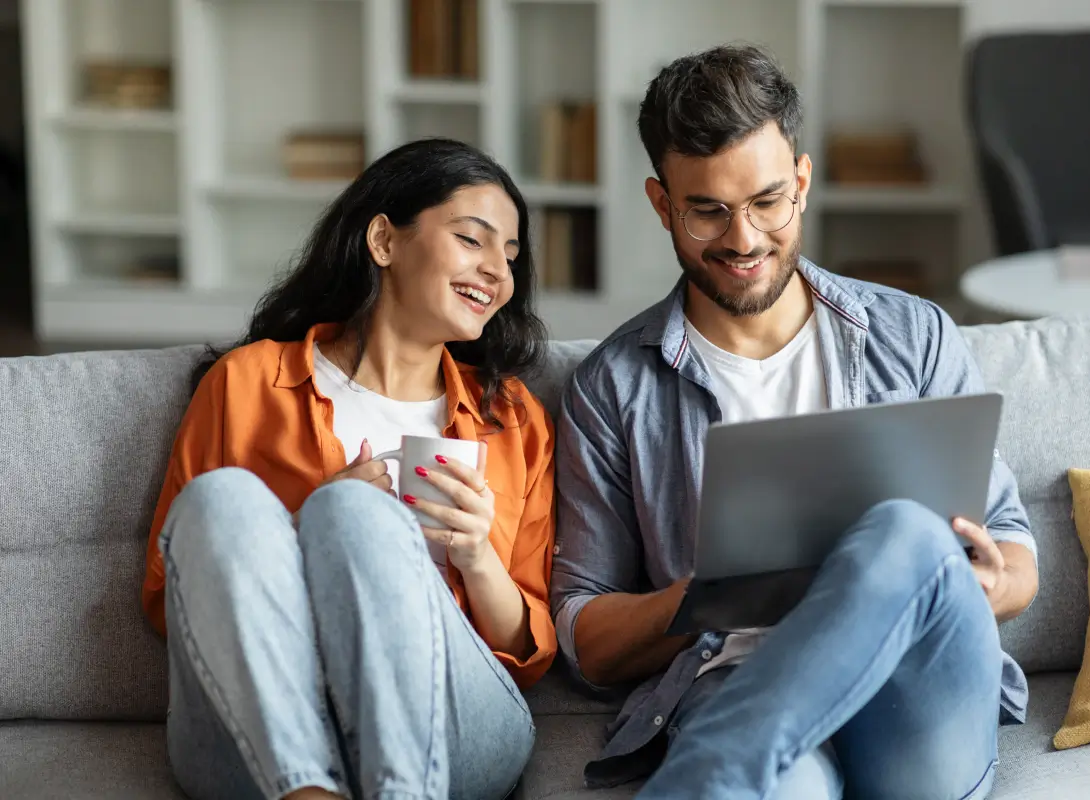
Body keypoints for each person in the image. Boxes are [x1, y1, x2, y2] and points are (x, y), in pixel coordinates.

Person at [550, 45, 1038, 799]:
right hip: (735, 677)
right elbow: (585, 639)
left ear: (802, 183)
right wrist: (712, 592)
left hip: (913, 687)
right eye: (707, 211)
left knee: (904, 535)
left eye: (766, 202)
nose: (742, 240)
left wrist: (947, 579)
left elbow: (1016, 559)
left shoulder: (915, 336)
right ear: (661, 204)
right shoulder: (614, 387)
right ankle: (732, 761)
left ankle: (715, 767)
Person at [141, 138, 557, 800]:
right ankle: (309, 790)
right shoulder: (247, 384)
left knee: (355, 511)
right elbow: (174, 600)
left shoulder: (511, 418)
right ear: (385, 241)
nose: (498, 273)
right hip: (267, 730)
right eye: (473, 240)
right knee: (231, 500)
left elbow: (528, 654)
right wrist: (302, 526)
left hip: (452, 732)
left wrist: (477, 557)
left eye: (510, 256)